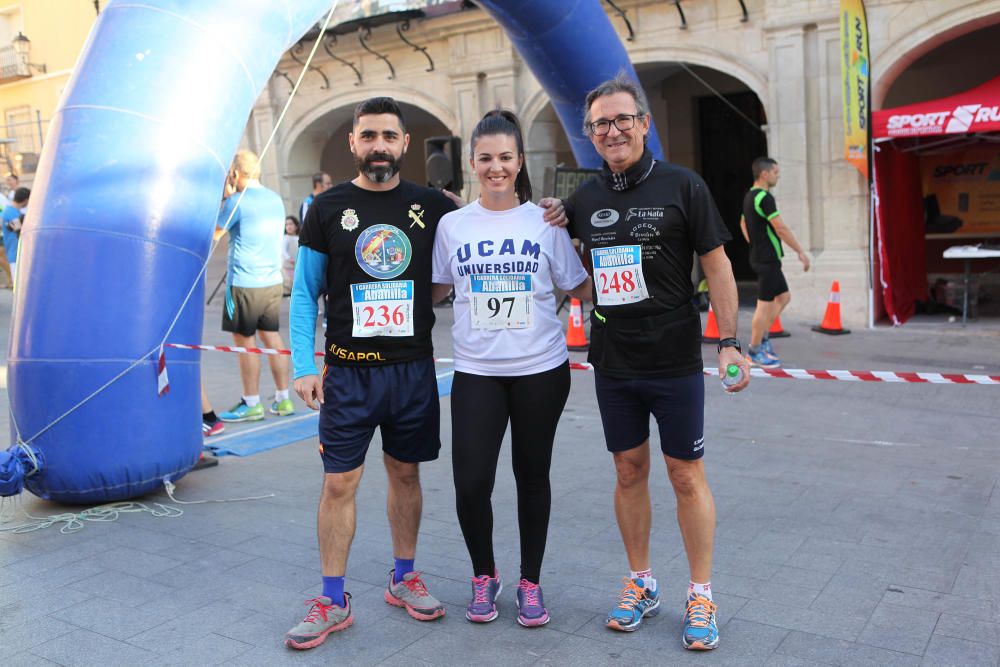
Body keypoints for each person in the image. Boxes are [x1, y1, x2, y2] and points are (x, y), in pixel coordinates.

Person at [286, 96, 566, 651]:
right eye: (369, 137)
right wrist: (302, 365)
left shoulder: (435, 208)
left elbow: (484, 222)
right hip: (348, 371)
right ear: (353, 142)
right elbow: (303, 295)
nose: (379, 147)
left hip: (412, 372)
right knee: (339, 482)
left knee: (407, 477)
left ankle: (404, 577)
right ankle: (332, 598)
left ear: (405, 144)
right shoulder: (325, 207)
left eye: (389, 137)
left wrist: (556, 212)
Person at [563, 74, 749, 650]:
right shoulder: (584, 199)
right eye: (601, 124)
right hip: (613, 359)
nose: (613, 130)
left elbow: (717, 265)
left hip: (673, 357)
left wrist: (730, 342)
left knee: (685, 474)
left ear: (644, 124)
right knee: (627, 471)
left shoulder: (682, 185)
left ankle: (701, 592)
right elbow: (560, 252)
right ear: (590, 135)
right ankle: (642, 582)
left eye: (623, 119)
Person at [431, 109, 591, 628]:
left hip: (541, 370)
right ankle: (484, 574)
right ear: (471, 163)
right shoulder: (452, 227)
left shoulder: (545, 223)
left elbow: (580, 286)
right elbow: (433, 290)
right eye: (485, 158)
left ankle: (530, 582)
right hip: (477, 372)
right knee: (471, 482)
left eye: (505, 157)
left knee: (531, 476)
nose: (495, 167)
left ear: (520, 161)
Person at [215, 150, 294, 422]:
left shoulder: (236, 201)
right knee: (271, 337)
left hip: (243, 282)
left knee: (245, 343)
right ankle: (284, 399)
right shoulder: (274, 199)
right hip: (272, 280)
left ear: (235, 174)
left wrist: (225, 197)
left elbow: (214, 233)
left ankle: (251, 403)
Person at [739, 157, 810, 368]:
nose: (778, 176)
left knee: (784, 297)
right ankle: (753, 350)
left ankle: (763, 340)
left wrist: (754, 242)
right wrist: (800, 252)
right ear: (765, 174)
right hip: (766, 259)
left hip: (764, 257)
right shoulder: (764, 197)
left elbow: (742, 223)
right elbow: (780, 228)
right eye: (776, 173)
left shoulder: (749, 196)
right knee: (764, 305)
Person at [2, 187, 28, 285]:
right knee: (19, 286)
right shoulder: (9, 212)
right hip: (14, 254)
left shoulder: (15, 211)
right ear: (25, 200)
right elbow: (16, 228)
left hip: (18, 254)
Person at [282, 215, 300, 295]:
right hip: (287, 266)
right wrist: (289, 259)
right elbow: (283, 250)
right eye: (286, 224)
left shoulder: (299, 237)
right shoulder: (285, 238)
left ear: (296, 226)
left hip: (297, 265)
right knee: (288, 283)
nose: (288, 226)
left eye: (291, 224)